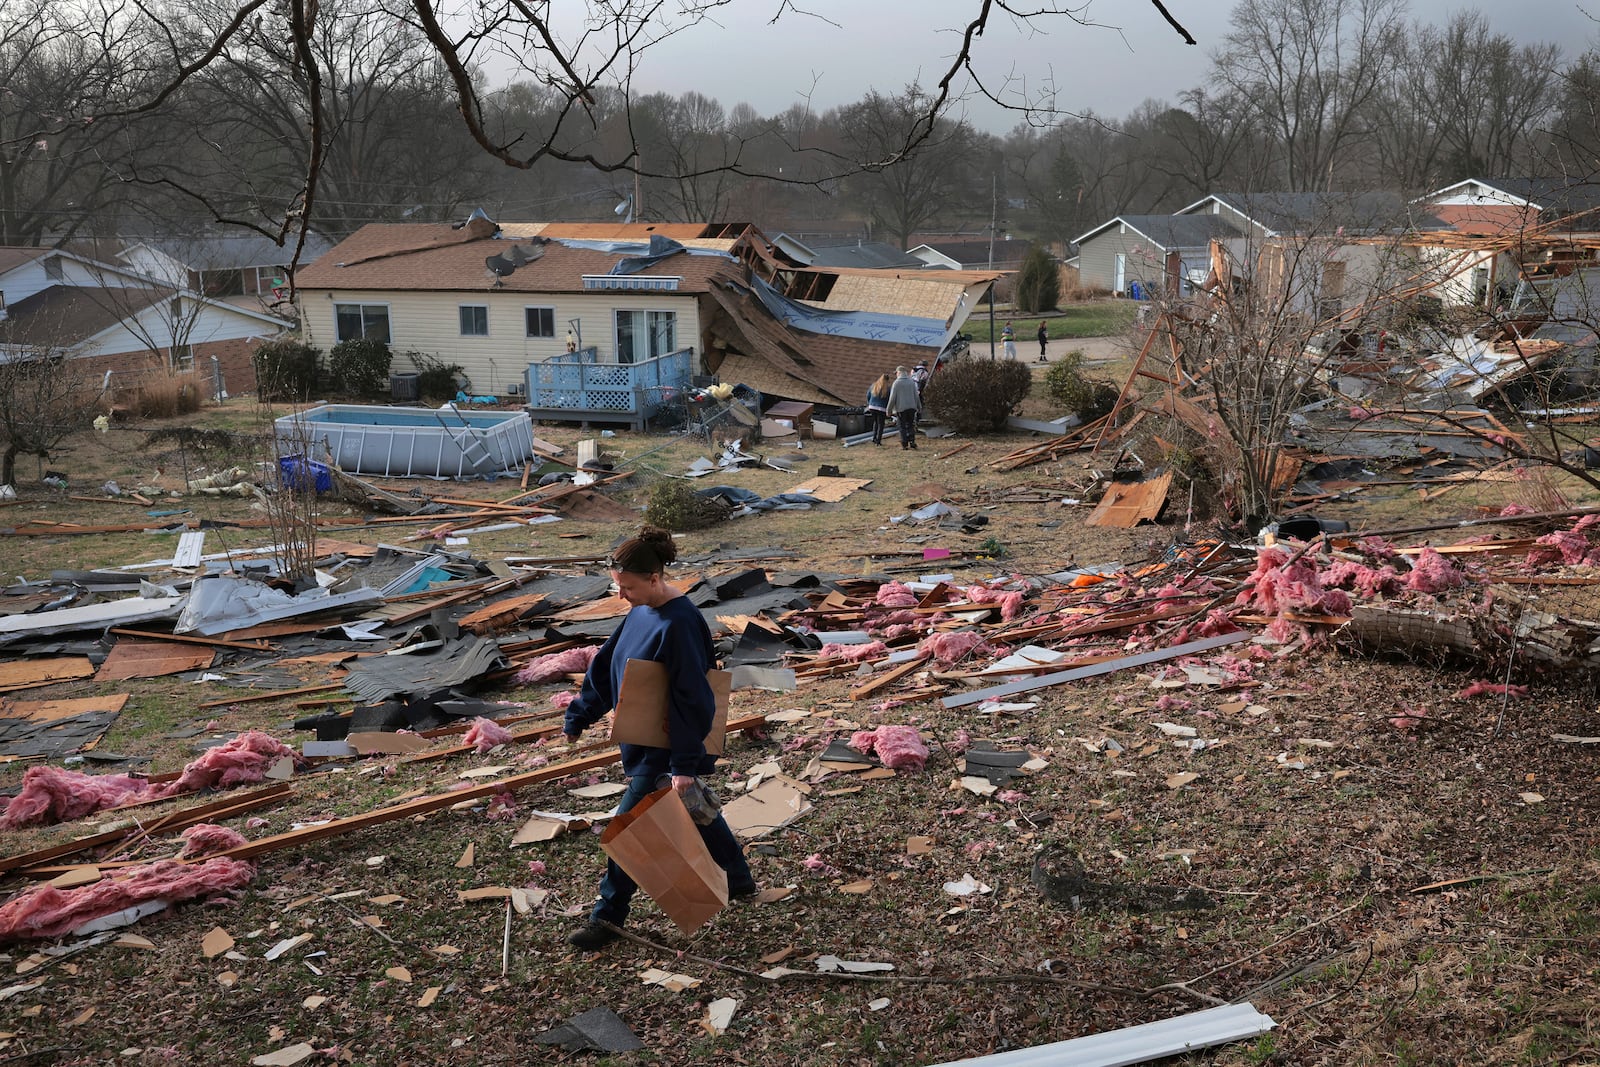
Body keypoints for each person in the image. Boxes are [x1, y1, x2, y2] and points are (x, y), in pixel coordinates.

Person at [563, 526, 757, 951]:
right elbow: (607, 666)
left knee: (629, 830)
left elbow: (694, 698)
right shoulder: (639, 611)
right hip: (642, 741)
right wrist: (580, 714)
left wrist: (683, 765)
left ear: (654, 579)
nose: (621, 596)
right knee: (694, 808)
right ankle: (740, 880)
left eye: (628, 587)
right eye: (618, 586)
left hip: (665, 747)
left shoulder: (681, 623)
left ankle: (607, 917)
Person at [887, 365, 922, 450]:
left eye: (896, 373)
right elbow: (916, 396)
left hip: (901, 408)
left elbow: (892, 398)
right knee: (910, 424)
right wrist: (919, 407)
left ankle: (904, 443)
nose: (896, 375)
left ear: (899, 373)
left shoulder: (897, 383)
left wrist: (889, 410)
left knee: (902, 426)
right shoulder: (911, 382)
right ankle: (912, 441)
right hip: (912, 407)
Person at [865, 373, 892, 446]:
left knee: (875, 422)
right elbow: (890, 399)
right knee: (881, 424)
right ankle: (878, 441)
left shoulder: (874, 385)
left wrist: (869, 403)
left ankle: (874, 438)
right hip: (882, 408)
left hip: (872, 407)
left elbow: (868, 395)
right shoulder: (888, 388)